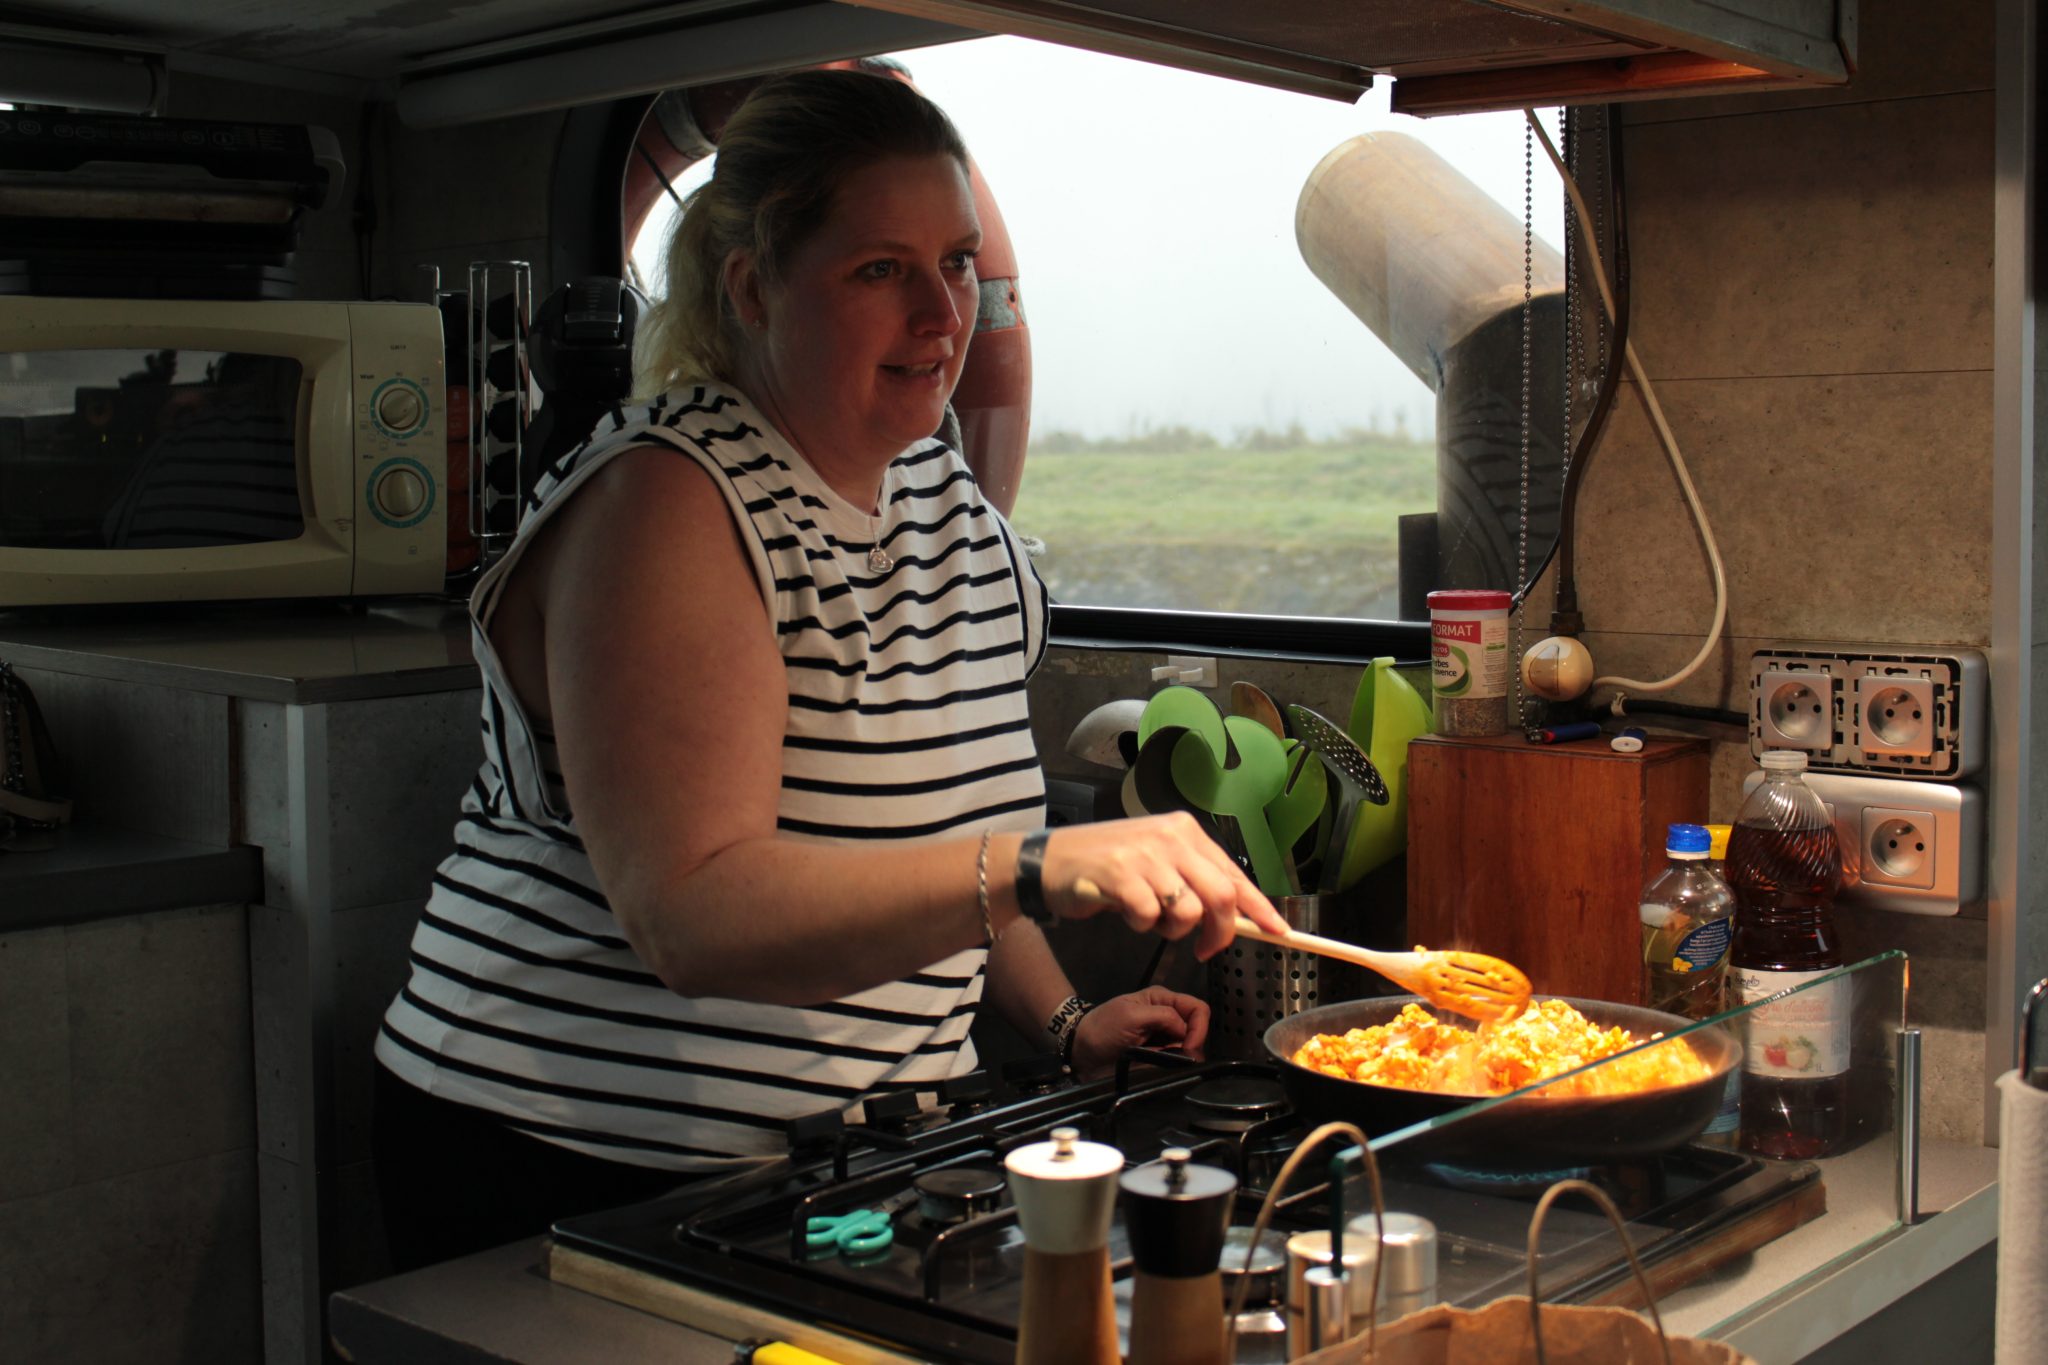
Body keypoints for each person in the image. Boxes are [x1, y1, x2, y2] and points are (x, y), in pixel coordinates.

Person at [370, 67, 1284, 1272]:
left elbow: (946, 843)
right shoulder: (669, 499)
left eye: (955, 263)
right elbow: (691, 915)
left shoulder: (950, 508)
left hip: (857, 1168)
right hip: (572, 1163)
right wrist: (1039, 865)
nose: (940, 314)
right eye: (878, 270)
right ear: (751, 286)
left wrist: (1065, 1026)